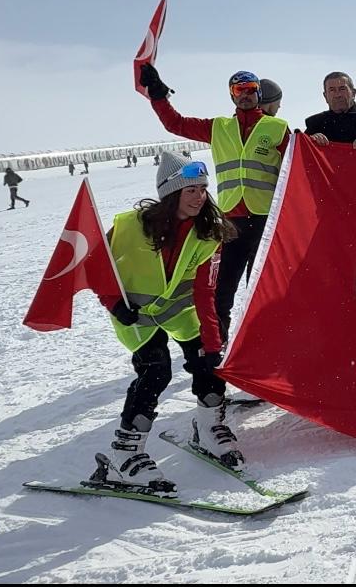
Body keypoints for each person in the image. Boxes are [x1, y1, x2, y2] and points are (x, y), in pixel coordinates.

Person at [88, 152, 242, 495]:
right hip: (135, 313)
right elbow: (96, 267)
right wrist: (112, 302)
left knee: (207, 360)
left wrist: (213, 343)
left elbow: (206, 291)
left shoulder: (208, 233)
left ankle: (208, 428)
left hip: (178, 309)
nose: (200, 196)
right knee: (156, 371)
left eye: (203, 189)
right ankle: (123, 456)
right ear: (171, 192)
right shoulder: (129, 225)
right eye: (191, 190)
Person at [137, 63, 291, 341]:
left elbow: (295, 167)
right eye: (238, 90)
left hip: (266, 220)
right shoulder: (219, 127)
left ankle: (266, 343)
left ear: (259, 93)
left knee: (262, 286)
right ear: (232, 95)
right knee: (222, 288)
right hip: (231, 221)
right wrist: (158, 96)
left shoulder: (277, 128)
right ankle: (218, 343)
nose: (245, 95)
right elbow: (176, 124)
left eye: (250, 90)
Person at [304, 72, 356, 149]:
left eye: (342, 89)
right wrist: (311, 141)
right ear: (325, 96)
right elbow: (300, 151)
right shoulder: (315, 123)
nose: (338, 95)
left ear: (353, 93)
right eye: (332, 90)